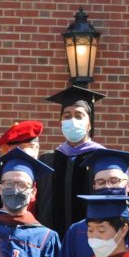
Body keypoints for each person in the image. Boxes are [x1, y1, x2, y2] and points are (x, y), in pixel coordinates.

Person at [38, 85, 107, 234]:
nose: (72, 120)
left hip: (92, 242)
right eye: (67, 116)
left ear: (89, 124)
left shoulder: (102, 159)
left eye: (79, 115)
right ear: (60, 122)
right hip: (53, 244)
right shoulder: (48, 160)